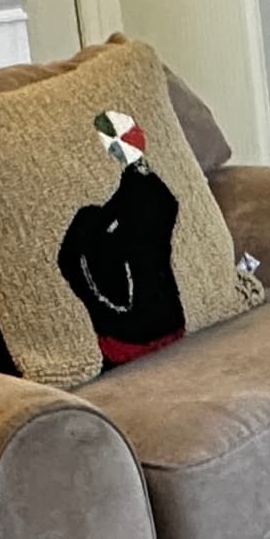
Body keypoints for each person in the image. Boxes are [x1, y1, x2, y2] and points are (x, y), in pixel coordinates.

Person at [56, 110, 189, 365]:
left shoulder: (135, 194)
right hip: (165, 319)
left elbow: (74, 258)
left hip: (136, 330)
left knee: (87, 226)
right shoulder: (150, 190)